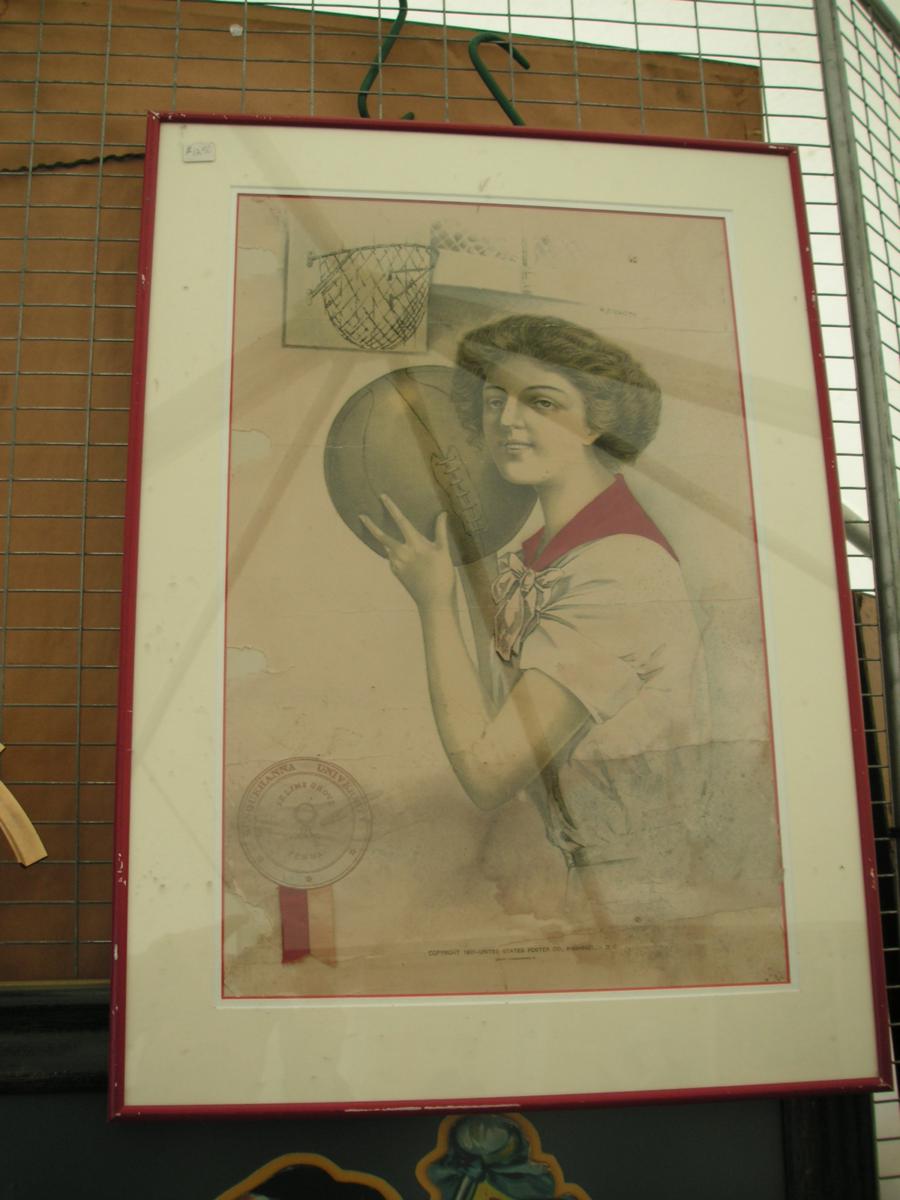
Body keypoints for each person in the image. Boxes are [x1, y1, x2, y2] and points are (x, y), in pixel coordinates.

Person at [361, 314, 710, 929]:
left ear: (596, 422)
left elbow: (487, 774)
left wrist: (434, 603)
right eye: (495, 401)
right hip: (590, 879)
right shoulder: (538, 558)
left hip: (644, 889)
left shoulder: (619, 570)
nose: (507, 422)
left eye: (542, 403)